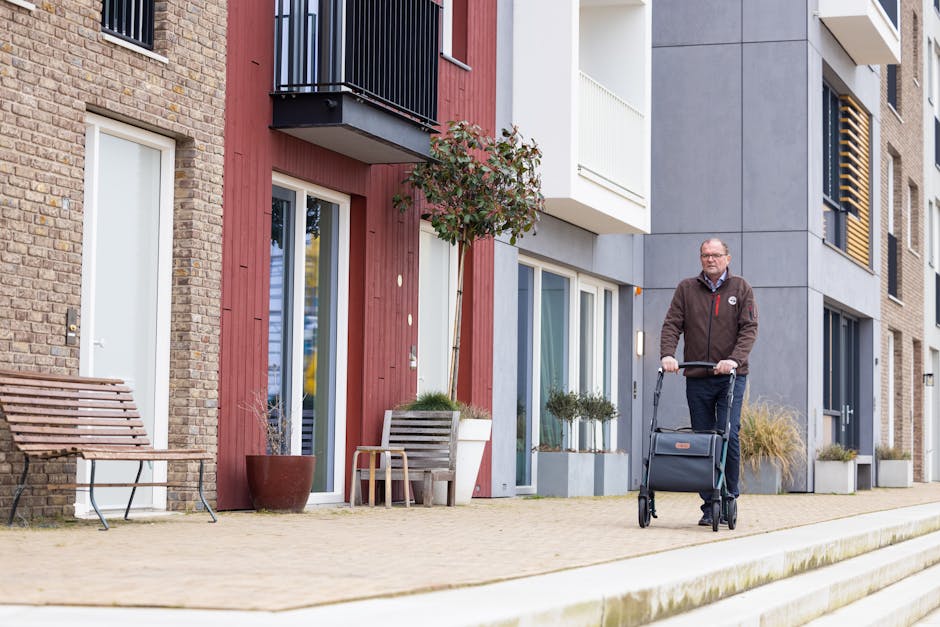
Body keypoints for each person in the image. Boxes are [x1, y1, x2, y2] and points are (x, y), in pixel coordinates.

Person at [660, 237, 758, 526]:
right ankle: (708, 504)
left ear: (728, 258)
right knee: (703, 439)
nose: (710, 259)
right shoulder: (686, 289)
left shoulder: (741, 288)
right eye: (705, 255)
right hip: (697, 377)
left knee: (729, 433)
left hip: (730, 377)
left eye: (716, 255)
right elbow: (672, 324)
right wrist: (668, 354)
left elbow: (749, 329)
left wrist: (734, 359)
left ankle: (729, 499)